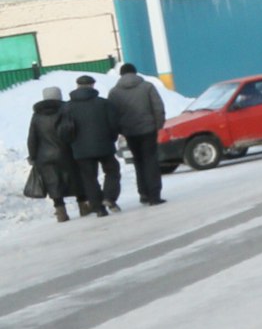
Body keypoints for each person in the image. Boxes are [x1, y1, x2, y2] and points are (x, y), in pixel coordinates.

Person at [109, 62, 168, 206]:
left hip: (130, 132)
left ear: (121, 75)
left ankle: (143, 194)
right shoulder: (147, 87)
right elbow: (158, 107)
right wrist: (157, 125)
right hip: (148, 130)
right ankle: (154, 195)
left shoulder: (114, 92)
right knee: (151, 161)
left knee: (138, 161)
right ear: (136, 73)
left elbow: (112, 113)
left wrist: (120, 130)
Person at [61, 74, 121, 215]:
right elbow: (114, 125)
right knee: (112, 171)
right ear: (93, 85)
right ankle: (109, 197)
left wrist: (73, 143)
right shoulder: (104, 104)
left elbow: (64, 130)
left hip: (80, 149)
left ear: (77, 86)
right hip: (104, 145)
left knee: (89, 178)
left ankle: (98, 209)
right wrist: (111, 138)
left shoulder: (67, 107)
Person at [25, 86, 76, 222]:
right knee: (75, 178)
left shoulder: (37, 116)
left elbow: (32, 138)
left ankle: (61, 212)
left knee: (53, 183)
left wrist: (33, 156)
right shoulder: (66, 110)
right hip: (66, 152)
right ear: (59, 96)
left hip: (45, 156)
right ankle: (83, 205)